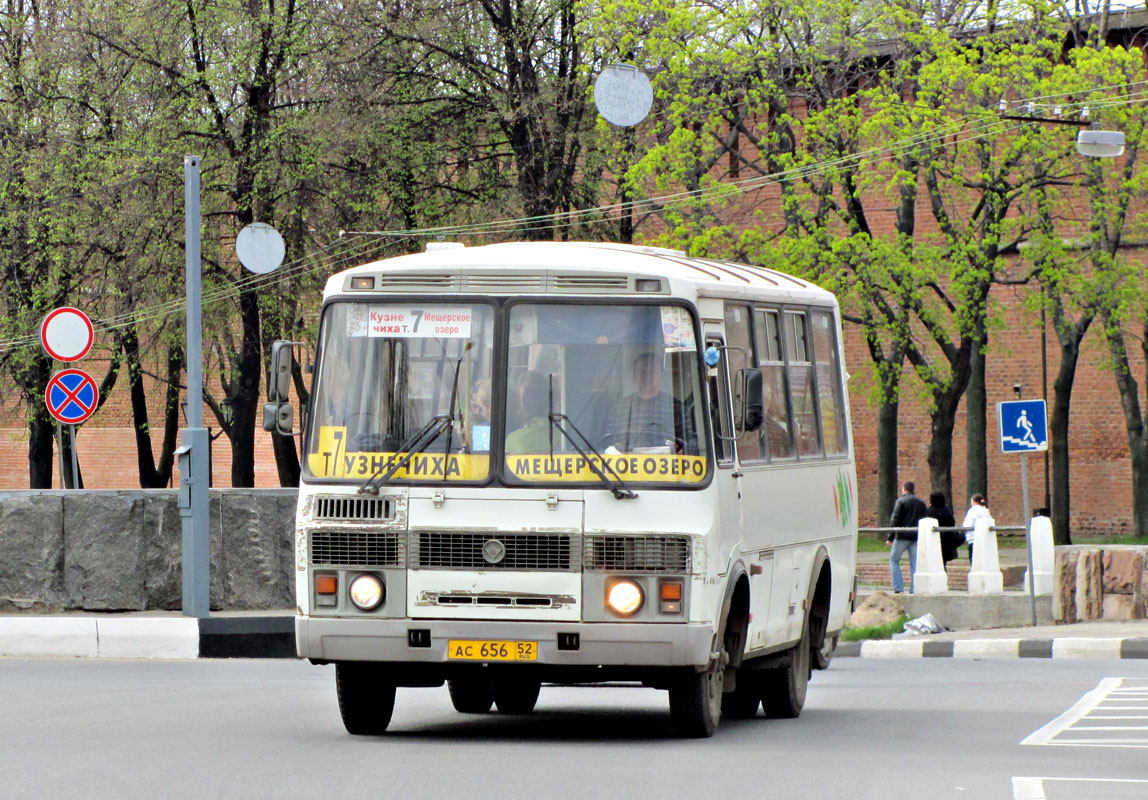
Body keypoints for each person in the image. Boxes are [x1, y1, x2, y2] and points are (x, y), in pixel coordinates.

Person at [605, 352, 695, 453]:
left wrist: (682, 449)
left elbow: (690, 441)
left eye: (652, 371)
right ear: (635, 375)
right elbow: (608, 440)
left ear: (661, 375)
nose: (647, 376)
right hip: (627, 465)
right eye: (642, 371)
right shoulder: (619, 407)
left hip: (669, 465)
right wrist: (617, 446)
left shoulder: (677, 407)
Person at [887, 480, 928, 593]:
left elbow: (895, 519)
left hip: (901, 536)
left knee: (894, 560)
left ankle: (898, 588)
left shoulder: (900, 501)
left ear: (904, 490)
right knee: (914, 563)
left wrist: (890, 537)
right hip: (915, 536)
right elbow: (925, 519)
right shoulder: (920, 502)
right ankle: (914, 589)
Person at [504, 371, 552, 455]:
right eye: (521, 397)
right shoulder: (564, 437)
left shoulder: (514, 439)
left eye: (527, 397)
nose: (523, 402)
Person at [927, 491, 959, 570]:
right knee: (943, 561)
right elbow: (952, 523)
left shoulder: (930, 511)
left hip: (934, 540)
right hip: (947, 540)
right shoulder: (947, 510)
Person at [962, 493, 990, 564]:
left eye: (971, 501)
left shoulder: (972, 511)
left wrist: (964, 531)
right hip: (984, 539)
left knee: (973, 559)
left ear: (975, 502)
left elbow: (968, 524)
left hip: (972, 538)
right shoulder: (986, 511)